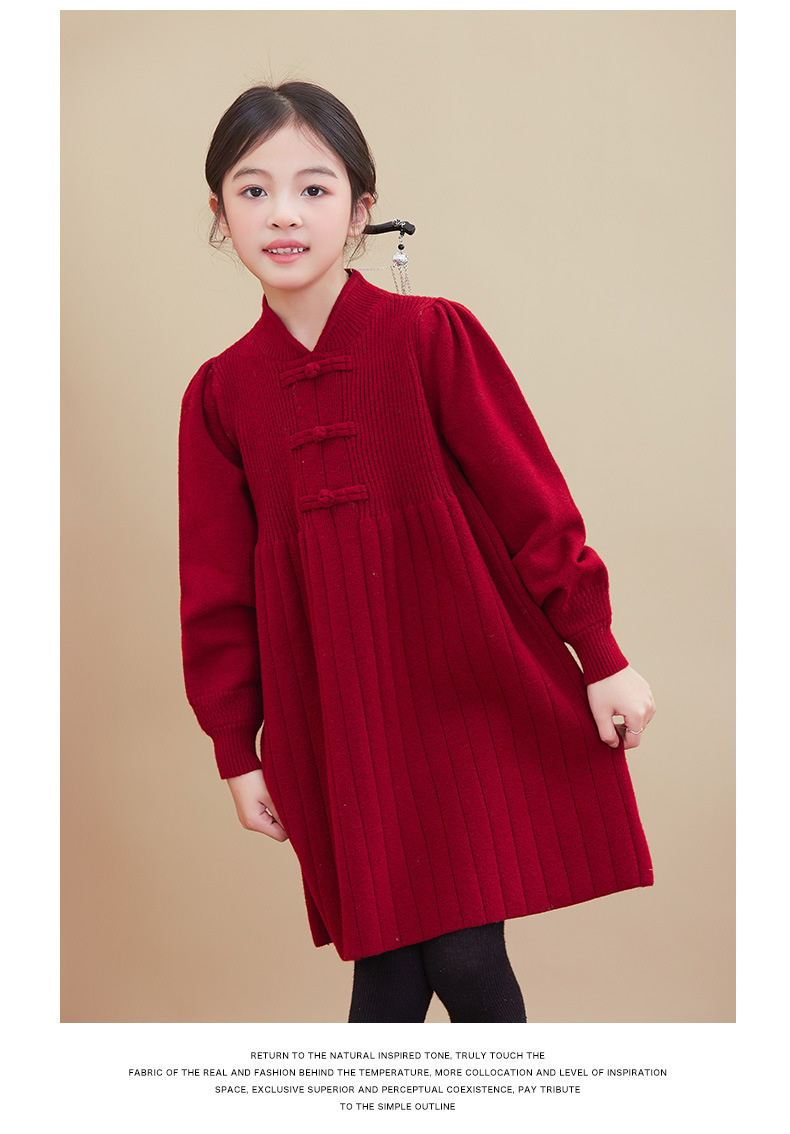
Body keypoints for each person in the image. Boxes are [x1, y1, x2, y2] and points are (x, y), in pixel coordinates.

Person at [178, 80, 657, 1024]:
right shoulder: (220, 397)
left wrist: (599, 652)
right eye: (253, 190)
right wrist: (238, 748)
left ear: (361, 210)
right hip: (333, 719)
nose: (283, 214)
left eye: (314, 189)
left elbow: (531, 504)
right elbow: (215, 593)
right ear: (220, 215)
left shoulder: (430, 335)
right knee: (392, 967)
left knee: (464, 958)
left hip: (467, 694)